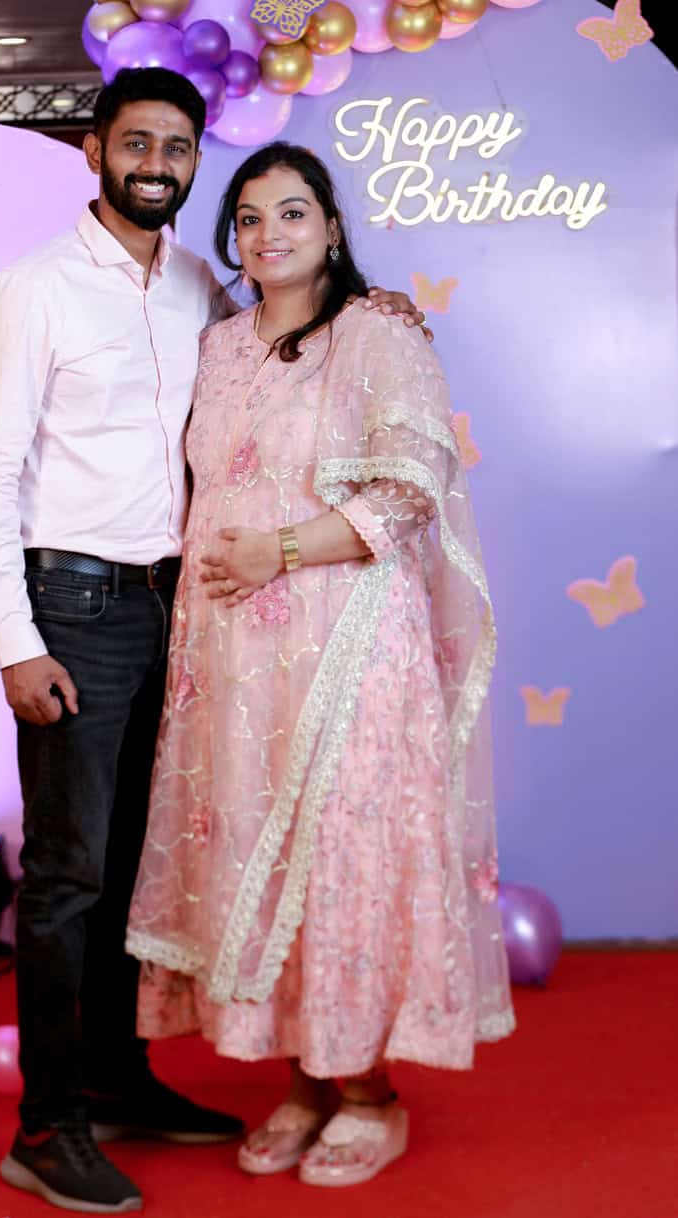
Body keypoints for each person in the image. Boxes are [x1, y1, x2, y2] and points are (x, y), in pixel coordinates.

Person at [0, 70, 425, 1213]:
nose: (157, 162)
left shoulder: (202, 295)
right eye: (136, 143)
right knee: (69, 877)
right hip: (72, 602)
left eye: (177, 145)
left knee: (131, 865)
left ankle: (120, 1081)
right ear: (94, 150)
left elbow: (292, 373)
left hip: (180, 610)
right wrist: (17, 641)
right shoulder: (34, 289)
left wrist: (384, 310)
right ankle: (48, 1123)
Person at [126, 141, 515, 1190]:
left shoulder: (376, 332)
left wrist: (281, 551)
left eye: (292, 213)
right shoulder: (222, 348)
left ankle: (369, 1094)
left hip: (345, 643)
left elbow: (412, 485)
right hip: (235, 657)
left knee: (344, 858)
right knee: (257, 850)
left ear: (332, 228)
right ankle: (305, 1079)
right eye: (249, 218)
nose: (269, 234)